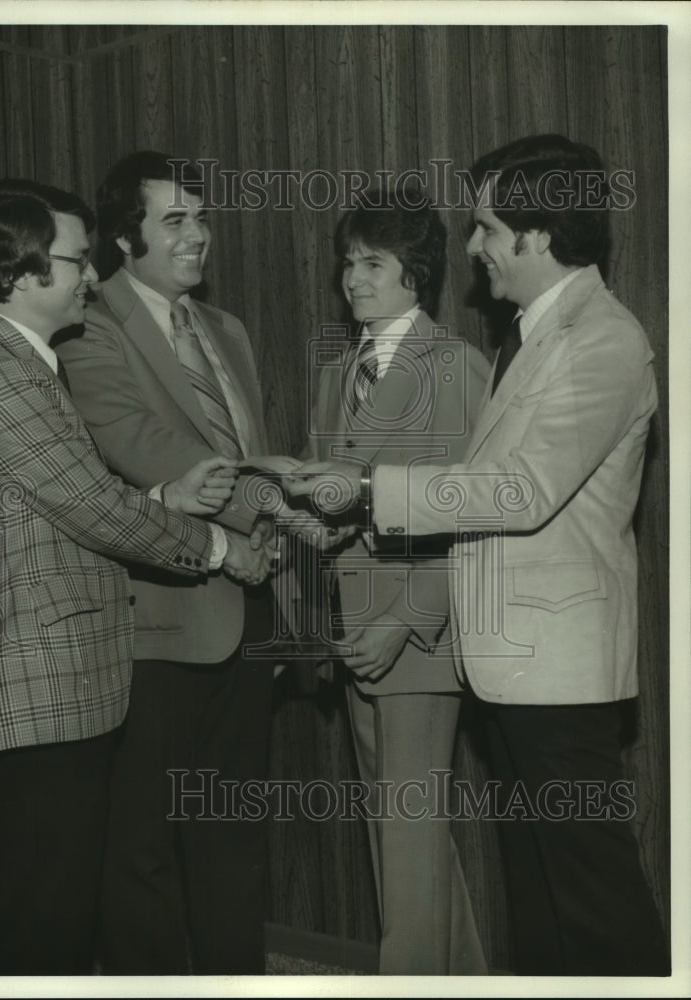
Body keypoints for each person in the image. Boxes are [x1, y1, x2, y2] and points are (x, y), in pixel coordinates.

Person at [286, 135, 670, 976]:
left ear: (537, 236)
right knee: (539, 900)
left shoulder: (603, 340)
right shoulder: (530, 336)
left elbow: (521, 490)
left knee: (595, 904)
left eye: (488, 229)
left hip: (559, 669)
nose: (472, 248)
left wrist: (370, 493)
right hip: (514, 665)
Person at [0, 179, 269, 975]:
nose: (92, 276)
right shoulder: (3, 377)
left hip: (61, 690)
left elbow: (68, 504)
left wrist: (162, 497)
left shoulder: (21, 365)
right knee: (44, 930)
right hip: (40, 691)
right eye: (78, 261)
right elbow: (94, 509)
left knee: (63, 917)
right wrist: (220, 549)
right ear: (21, 272)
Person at [55, 151, 278, 974]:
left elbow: (247, 457)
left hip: (248, 612)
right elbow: (142, 446)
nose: (199, 236)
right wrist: (270, 508)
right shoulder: (89, 321)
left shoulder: (230, 332)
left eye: (202, 217)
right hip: (153, 620)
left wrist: (282, 514)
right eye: (174, 220)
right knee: (141, 848)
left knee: (233, 835)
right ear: (123, 239)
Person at [287, 193, 489, 974]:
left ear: (418, 271)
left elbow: (475, 522)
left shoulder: (457, 367)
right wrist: (319, 526)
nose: (352, 278)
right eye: (347, 262)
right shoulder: (339, 373)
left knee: (406, 839)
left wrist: (405, 620)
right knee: (402, 835)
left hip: (418, 631)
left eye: (372, 261)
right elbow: (349, 499)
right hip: (357, 628)